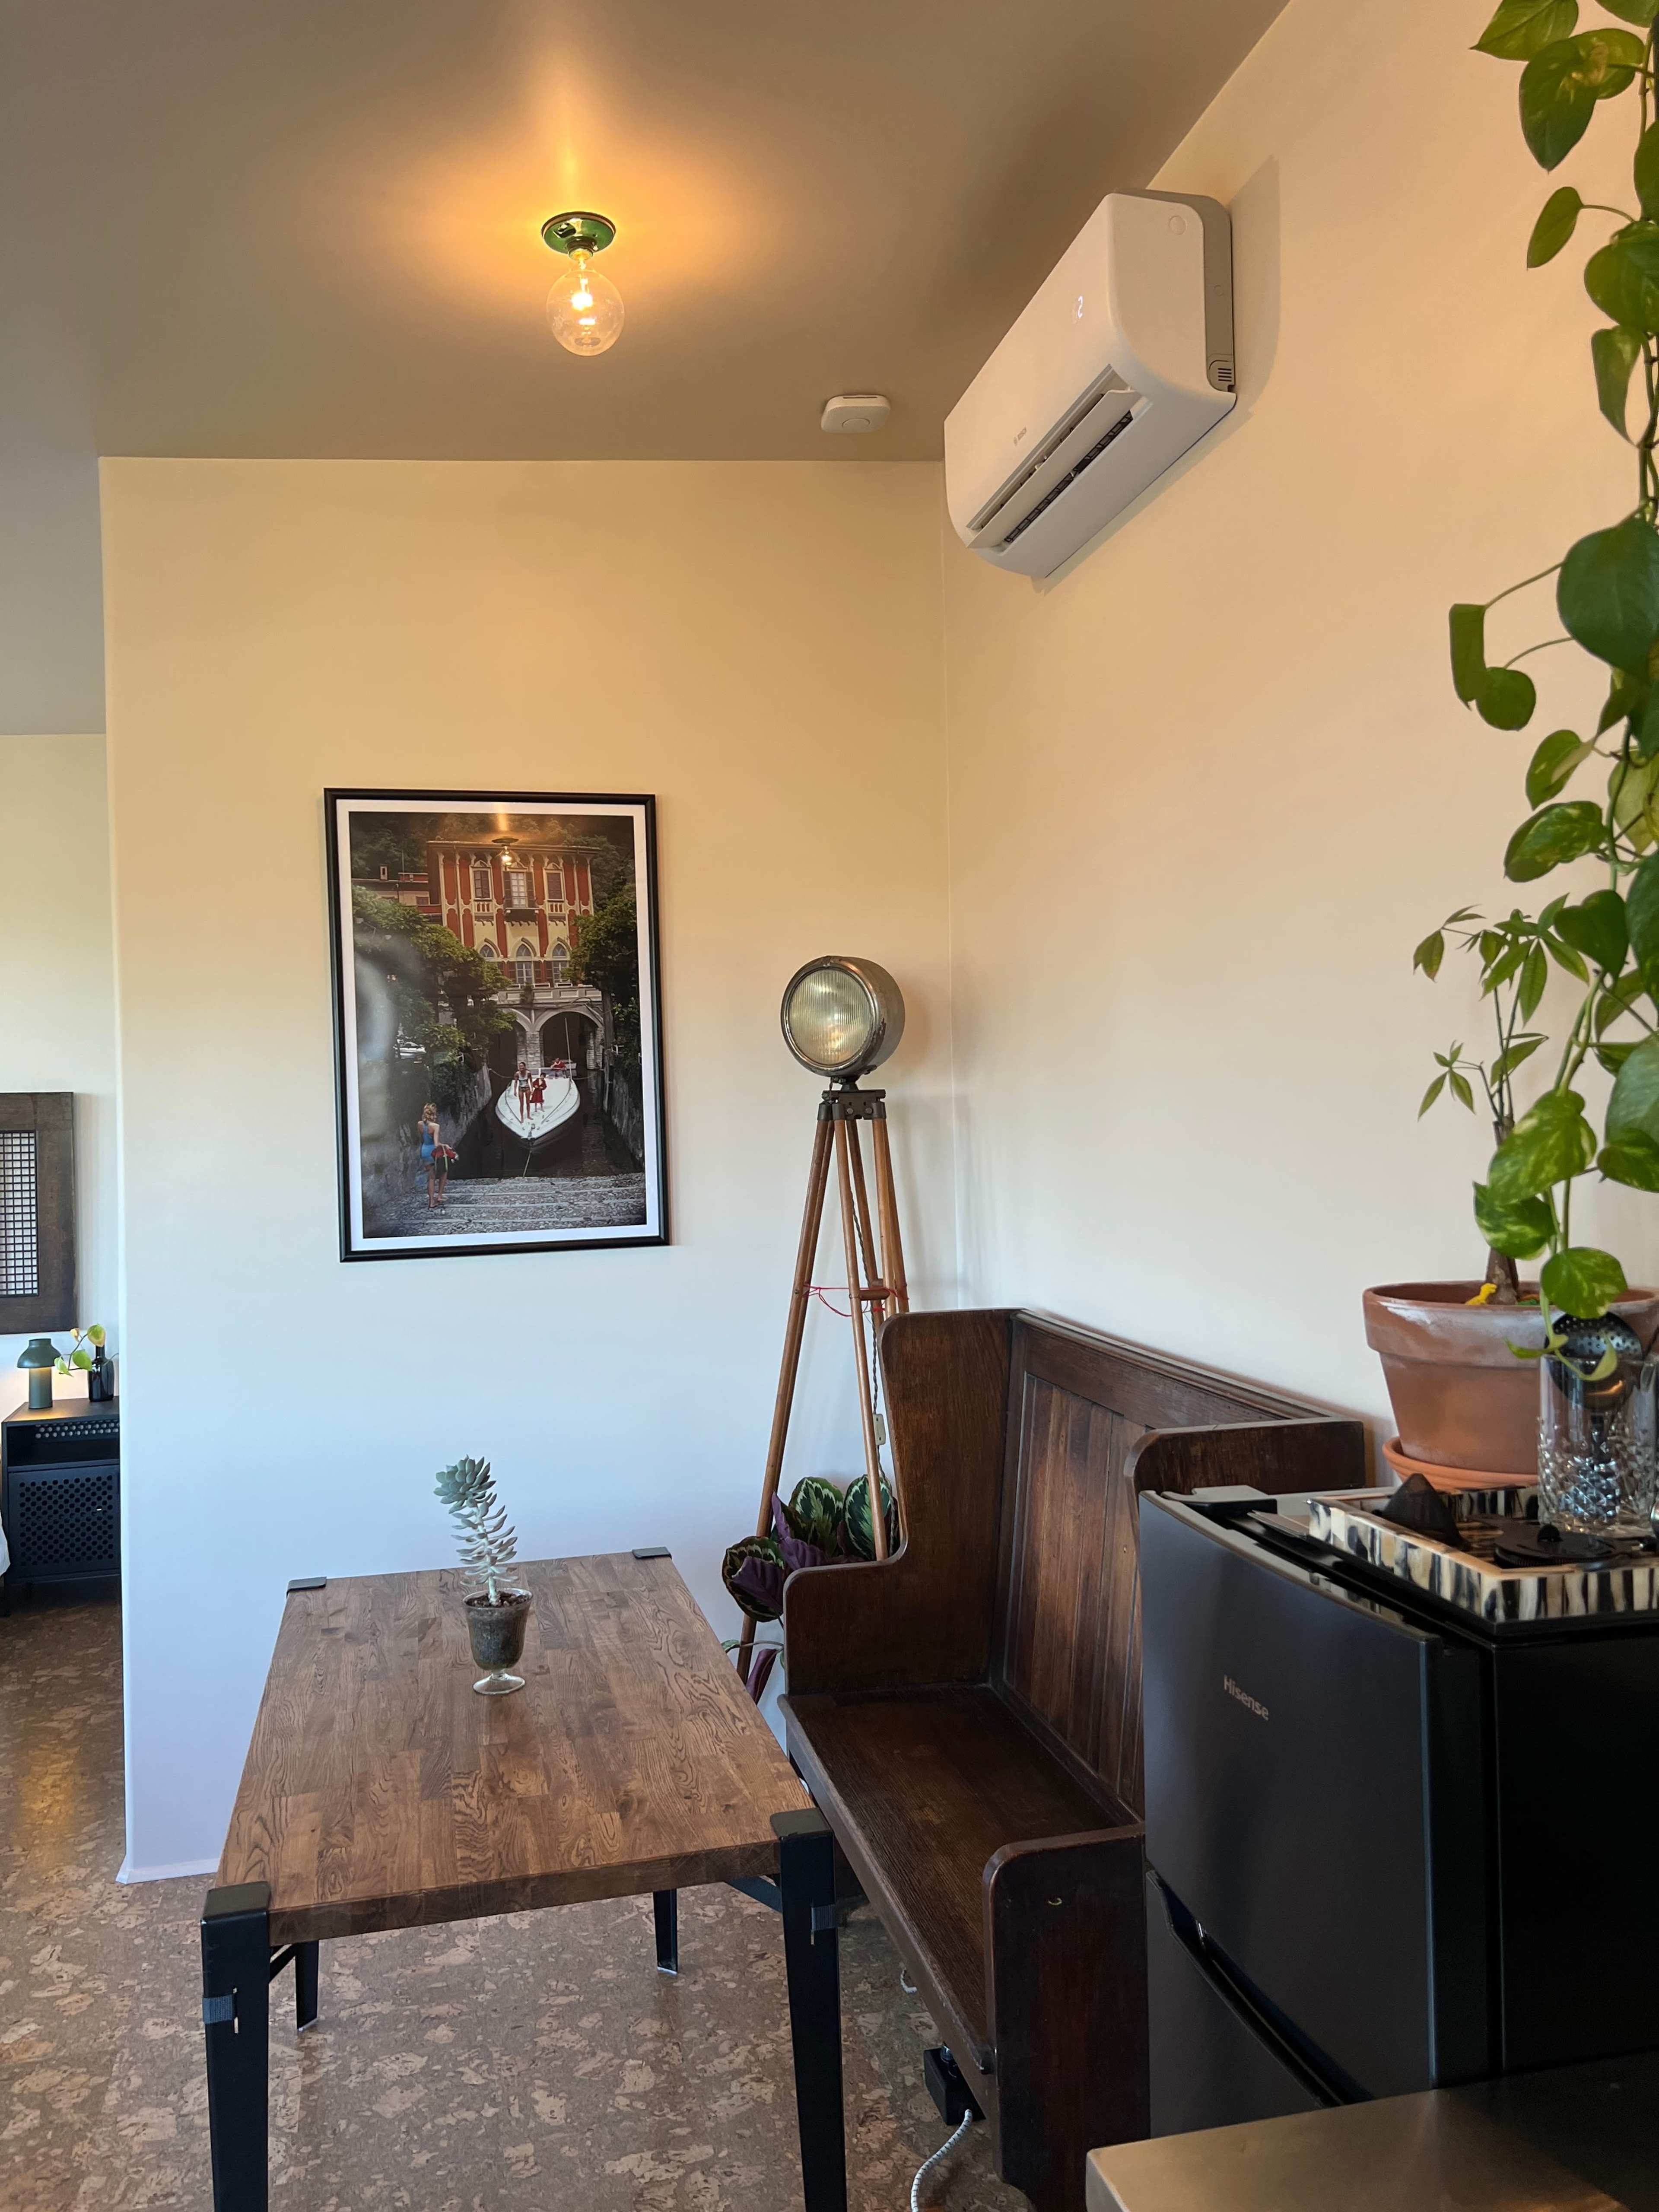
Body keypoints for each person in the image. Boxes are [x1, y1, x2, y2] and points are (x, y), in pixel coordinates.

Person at [419, 1103, 448, 1211]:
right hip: (433, 1153)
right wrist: (444, 1146)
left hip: (424, 1151)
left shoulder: (420, 1124)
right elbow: (436, 1144)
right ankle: (439, 1196)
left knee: (431, 1178)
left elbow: (423, 1138)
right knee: (444, 1171)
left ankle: (432, 1201)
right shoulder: (436, 1126)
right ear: (434, 1114)